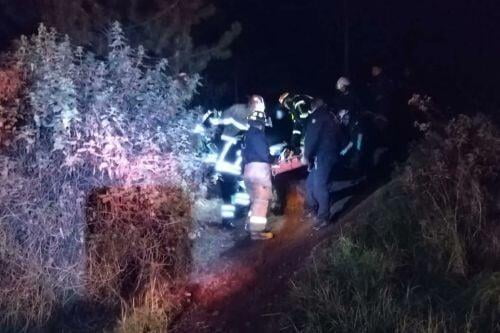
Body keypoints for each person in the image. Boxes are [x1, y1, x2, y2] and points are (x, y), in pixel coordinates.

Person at [302, 99, 342, 230]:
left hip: (323, 155)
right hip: (329, 153)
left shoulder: (317, 117)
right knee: (310, 183)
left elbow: (311, 138)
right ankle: (312, 207)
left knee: (319, 185)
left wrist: (306, 156)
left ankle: (323, 217)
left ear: (313, 108)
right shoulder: (330, 115)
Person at [242, 95, 274, 240]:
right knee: (261, 200)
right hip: (259, 169)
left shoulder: (247, 133)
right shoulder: (257, 132)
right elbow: (263, 152)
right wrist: (271, 160)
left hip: (247, 169)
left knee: (255, 200)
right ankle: (256, 232)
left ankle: (250, 226)